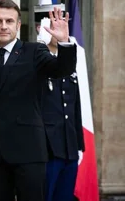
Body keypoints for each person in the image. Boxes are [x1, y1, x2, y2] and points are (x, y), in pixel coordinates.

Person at [0, 0, 77, 201]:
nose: (4, 26)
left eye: (9, 21)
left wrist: (64, 42)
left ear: (18, 25)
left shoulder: (34, 52)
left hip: (29, 153)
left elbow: (60, 70)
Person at [42, 36, 85, 201]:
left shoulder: (70, 67)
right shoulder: (38, 63)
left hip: (69, 146)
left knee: (65, 196)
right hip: (48, 148)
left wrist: (79, 144)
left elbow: (75, 107)